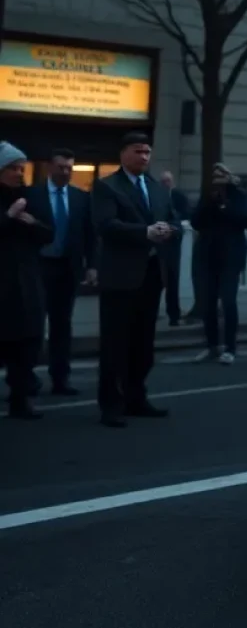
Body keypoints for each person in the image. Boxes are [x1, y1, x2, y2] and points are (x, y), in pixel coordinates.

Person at [91, 131, 178, 428]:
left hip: (152, 275)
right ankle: (111, 404)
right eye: (138, 151)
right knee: (115, 343)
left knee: (143, 343)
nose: (144, 157)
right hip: (120, 276)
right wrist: (144, 233)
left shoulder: (156, 188)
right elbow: (106, 225)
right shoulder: (107, 187)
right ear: (124, 154)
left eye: (147, 152)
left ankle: (136, 396)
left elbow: (174, 220)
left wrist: (169, 230)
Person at [25, 148, 96, 396]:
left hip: (68, 268)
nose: (65, 172)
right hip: (38, 266)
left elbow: (89, 234)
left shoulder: (80, 198)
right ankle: (27, 376)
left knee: (62, 325)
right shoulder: (32, 195)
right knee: (33, 323)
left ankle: (60, 378)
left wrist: (92, 266)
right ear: (49, 167)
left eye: (69, 168)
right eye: (61, 167)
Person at [0, 142, 51, 420]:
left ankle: (20, 399)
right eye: (13, 168)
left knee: (25, 345)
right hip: (3, 284)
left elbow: (49, 233)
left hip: (27, 284)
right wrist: (9, 216)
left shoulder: (30, 197)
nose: (19, 173)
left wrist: (30, 222)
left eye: (22, 168)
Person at [190, 163, 247, 365]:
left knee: (228, 302)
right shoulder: (207, 196)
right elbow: (195, 221)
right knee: (208, 303)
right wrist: (212, 203)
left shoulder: (239, 196)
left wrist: (225, 206)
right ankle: (211, 345)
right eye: (214, 176)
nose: (217, 180)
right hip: (207, 255)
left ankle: (230, 347)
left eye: (222, 176)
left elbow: (245, 219)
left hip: (230, 257)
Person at [158, 171, 190, 326]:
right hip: (158, 244)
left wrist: (173, 227)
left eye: (167, 181)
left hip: (172, 244)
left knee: (172, 279)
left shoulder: (177, 196)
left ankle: (173, 314)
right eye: (163, 181)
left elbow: (186, 214)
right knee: (158, 279)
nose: (165, 184)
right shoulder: (156, 197)